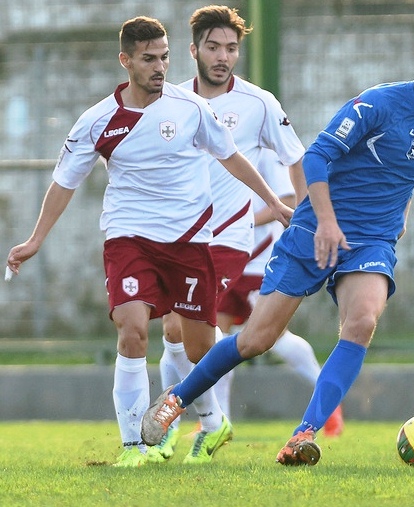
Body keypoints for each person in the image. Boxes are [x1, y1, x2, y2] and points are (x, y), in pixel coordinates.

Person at [141, 19, 414, 466]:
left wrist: (400, 214)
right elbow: (320, 155)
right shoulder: (379, 104)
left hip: (371, 242)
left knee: (361, 323)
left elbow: (408, 175)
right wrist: (325, 221)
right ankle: (176, 399)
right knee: (255, 340)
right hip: (315, 229)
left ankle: (303, 435)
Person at [4, 16, 291, 468]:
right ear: (126, 61)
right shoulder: (98, 120)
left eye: (164, 58)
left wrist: (273, 202)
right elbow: (63, 183)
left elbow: (231, 157)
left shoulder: (191, 107)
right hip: (129, 238)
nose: (159, 67)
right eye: (148, 59)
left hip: (191, 241)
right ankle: (133, 447)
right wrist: (35, 239)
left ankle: (213, 421)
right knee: (133, 331)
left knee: (197, 347)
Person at [151, 5, 309, 464]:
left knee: (183, 325)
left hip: (228, 237)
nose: (223, 56)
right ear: (194, 49)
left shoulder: (260, 103)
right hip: (176, 236)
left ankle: (188, 423)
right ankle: (204, 422)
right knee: (174, 335)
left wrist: (301, 215)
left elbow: (296, 157)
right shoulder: (172, 101)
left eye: (231, 48)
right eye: (214, 47)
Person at [212, 150, 344, 437]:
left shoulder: (266, 154)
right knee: (215, 339)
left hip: (258, 261)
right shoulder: (213, 144)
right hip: (223, 256)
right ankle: (217, 420)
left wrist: (239, 221)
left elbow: (287, 200)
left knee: (274, 338)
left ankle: (329, 404)